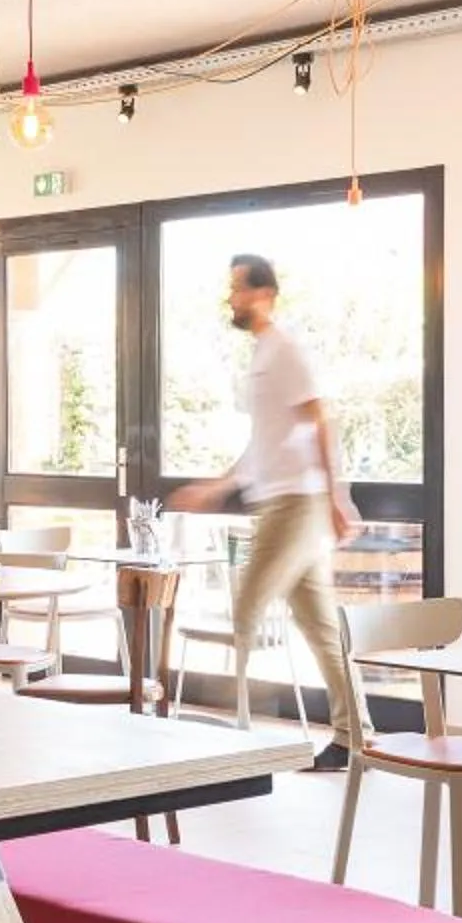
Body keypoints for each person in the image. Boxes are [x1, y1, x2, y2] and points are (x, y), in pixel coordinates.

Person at [171, 253, 363, 769]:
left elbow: (319, 421)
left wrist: (336, 496)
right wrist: (217, 487)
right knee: (319, 624)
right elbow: (265, 443)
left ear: (264, 294)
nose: (230, 298)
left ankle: (234, 743)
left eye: (237, 288)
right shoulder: (262, 356)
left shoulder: (286, 349)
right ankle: (355, 736)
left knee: (247, 607)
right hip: (281, 500)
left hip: (297, 504)